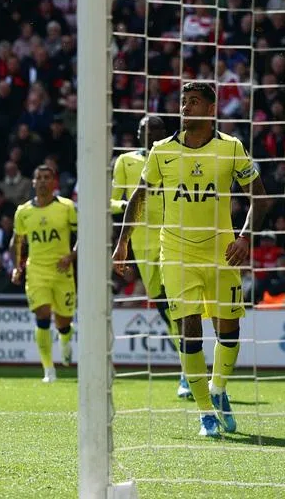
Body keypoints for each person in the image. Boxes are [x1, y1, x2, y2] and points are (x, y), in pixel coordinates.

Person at [113, 82, 270, 438]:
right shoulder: (161, 150)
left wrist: (245, 237)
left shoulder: (231, 148)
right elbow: (139, 195)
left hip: (221, 252)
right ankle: (205, 413)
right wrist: (123, 242)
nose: (185, 107)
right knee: (189, 328)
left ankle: (217, 388)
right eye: (183, 101)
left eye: (194, 101)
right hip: (176, 251)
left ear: (211, 108)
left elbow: (260, 198)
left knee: (229, 331)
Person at [111, 116, 190, 399]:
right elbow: (111, 199)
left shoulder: (175, 155)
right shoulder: (126, 162)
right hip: (142, 244)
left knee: (176, 301)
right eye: (146, 129)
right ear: (138, 133)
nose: (151, 133)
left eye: (156, 129)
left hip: (173, 237)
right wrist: (126, 204)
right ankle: (188, 365)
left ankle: (187, 373)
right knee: (163, 306)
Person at [10, 165, 76, 382]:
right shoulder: (24, 212)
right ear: (33, 182)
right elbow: (17, 241)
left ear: (54, 182)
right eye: (39, 178)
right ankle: (48, 369)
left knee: (63, 322)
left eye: (47, 177)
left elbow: (82, 234)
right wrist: (17, 266)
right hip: (36, 271)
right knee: (42, 314)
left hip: (62, 271)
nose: (43, 181)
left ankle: (66, 339)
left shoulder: (67, 207)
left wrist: (71, 256)